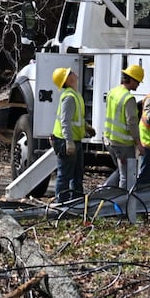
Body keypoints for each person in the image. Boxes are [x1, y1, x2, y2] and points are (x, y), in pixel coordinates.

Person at [103, 65, 144, 191]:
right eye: (137, 81)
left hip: (109, 139)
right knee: (126, 176)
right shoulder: (129, 98)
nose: (138, 85)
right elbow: (131, 122)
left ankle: (105, 191)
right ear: (131, 80)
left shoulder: (113, 92)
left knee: (121, 170)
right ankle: (122, 204)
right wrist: (138, 144)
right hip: (123, 144)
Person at [51, 65, 86, 202]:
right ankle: (62, 204)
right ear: (68, 80)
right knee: (65, 175)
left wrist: (86, 127)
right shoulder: (69, 98)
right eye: (70, 73)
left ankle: (75, 202)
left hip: (73, 139)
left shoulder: (75, 95)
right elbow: (65, 121)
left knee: (77, 174)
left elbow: (75, 118)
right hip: (65, 140)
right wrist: (69, 142)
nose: (74, 73)